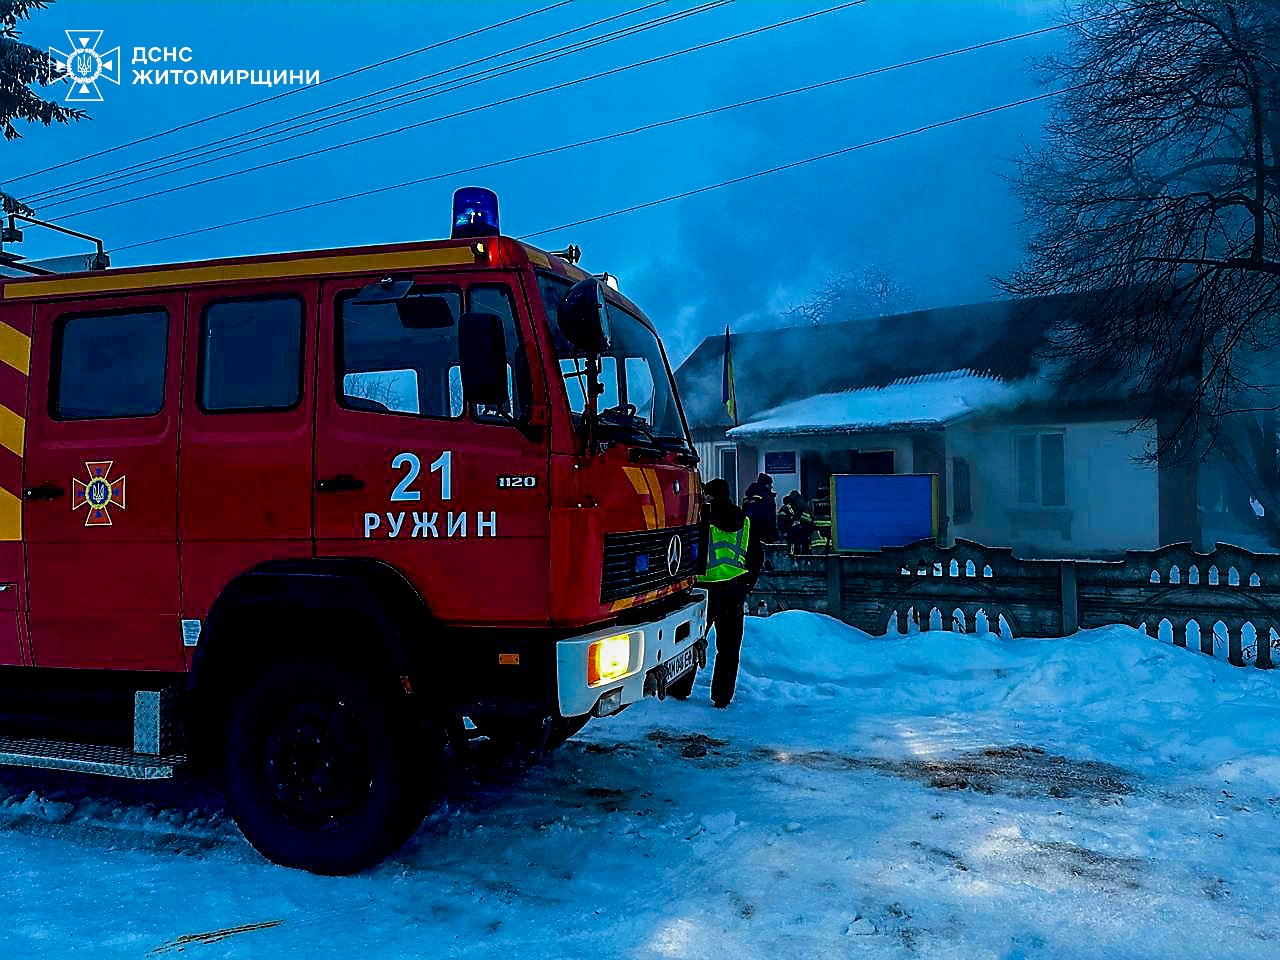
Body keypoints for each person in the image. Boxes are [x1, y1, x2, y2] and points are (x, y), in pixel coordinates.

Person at [676, 477, 762, 708]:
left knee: (692, 641)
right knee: (729, 648)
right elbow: (756, 556)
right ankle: (722, 697)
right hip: (734, 590)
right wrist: (746, 586)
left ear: (710, 496)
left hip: (703, 591)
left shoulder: (701, 518)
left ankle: (680, 689)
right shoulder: (745, 520)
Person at [742, 473, 780, 543]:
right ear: (766, 485)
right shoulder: (767, 497)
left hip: (749, 532)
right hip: (764, 533)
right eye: (770, 484)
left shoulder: (748, 497)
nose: (771, 487)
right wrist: (773, 535)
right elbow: (770, 517)